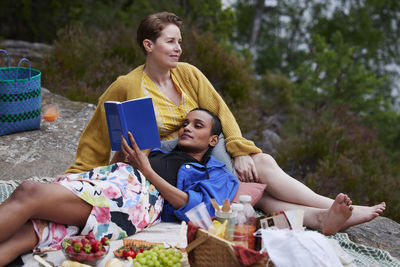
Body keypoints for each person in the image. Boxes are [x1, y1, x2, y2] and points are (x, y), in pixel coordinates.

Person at [66, 12, 385, 234]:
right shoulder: (128, 84)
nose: (179, 48)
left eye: (180, 42)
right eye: (170, 42)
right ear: (149, 46)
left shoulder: (187, 74)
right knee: (252, 189)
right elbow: (97, 131)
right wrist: (79, 175)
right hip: (172, 165)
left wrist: (240, 148)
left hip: (203, 150)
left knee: (259, 170)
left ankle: (324, 215)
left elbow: (222, 111)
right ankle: (331, 213)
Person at [0, 109, 238, 266]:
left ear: (213, 140)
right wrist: (121, 151)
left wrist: (148, 171)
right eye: (185, 123)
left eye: (197, 126)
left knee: (29, 191)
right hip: (111, 181)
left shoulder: (218, 174)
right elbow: (115, 170)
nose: (187, 128)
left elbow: (199, 209)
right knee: (27, 233)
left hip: (139, 199)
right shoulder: (157, 151)